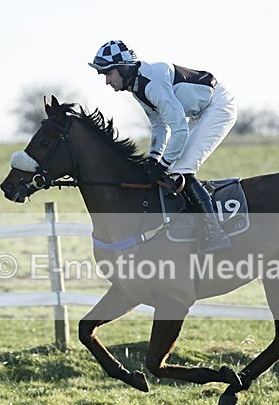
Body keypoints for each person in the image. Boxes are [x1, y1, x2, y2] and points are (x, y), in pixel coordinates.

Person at [88, 40, 237, 253]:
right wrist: (154, 158)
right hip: (198, 112)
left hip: (218, 106)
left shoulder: (151, 84)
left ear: (123, 68)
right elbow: (159, 126)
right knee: (173, 169)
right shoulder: (137, 87)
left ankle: (216, 233)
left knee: (181, 168)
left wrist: (163, 163)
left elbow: (179, 130)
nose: (107, 81)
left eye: (108, 74)